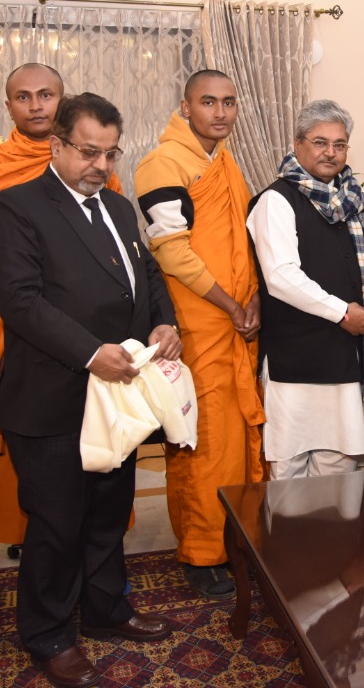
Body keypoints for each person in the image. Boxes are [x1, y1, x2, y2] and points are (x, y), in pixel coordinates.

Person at [0, 92, 179, 687]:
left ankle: (105, 610)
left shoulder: (118, 208)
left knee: (106, 515)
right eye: (89, 151)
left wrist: (164, 319)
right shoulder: (16, 207)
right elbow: (19, 299)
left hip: (116, 399)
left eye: (110, 152)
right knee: (57, 523)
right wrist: (92, 353)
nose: (100, 164)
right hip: (53, 398)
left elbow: (146, 272)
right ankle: (46, 633)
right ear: (58, 145)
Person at [0, 63, 121, 547]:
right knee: (30, 456)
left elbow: (120, 262)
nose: (36, 105)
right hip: (13, 332)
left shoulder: (97, 168)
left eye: (46, 95)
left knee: (98, 481)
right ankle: (28, 536)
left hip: (92, 346)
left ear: (62, 101)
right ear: (8, 107)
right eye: (23, 97)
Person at [133, 69, 265, 600]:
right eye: (208, 102)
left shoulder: (225, 162)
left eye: (229, 102)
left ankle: (237, 538)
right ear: (185, 107)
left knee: (236, 436)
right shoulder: (163, 163)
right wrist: (231, 302)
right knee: (199, 438)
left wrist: (253, 298)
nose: (220, 112)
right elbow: (171, 250)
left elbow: (244, 242)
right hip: (195, 324)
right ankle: (201, 551)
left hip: (235, 323)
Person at [246, 99, 364, 478]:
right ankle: (290, 541)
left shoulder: (351, 201)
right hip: (294, 361)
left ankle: (337, 541)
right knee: (289, 471)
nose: (330, 152)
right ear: (297, 144)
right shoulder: (275, 201)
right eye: (320, 142)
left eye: (339, 144)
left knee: (338, 469)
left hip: (342, 358)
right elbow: (281, 276)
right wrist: (342, 312)